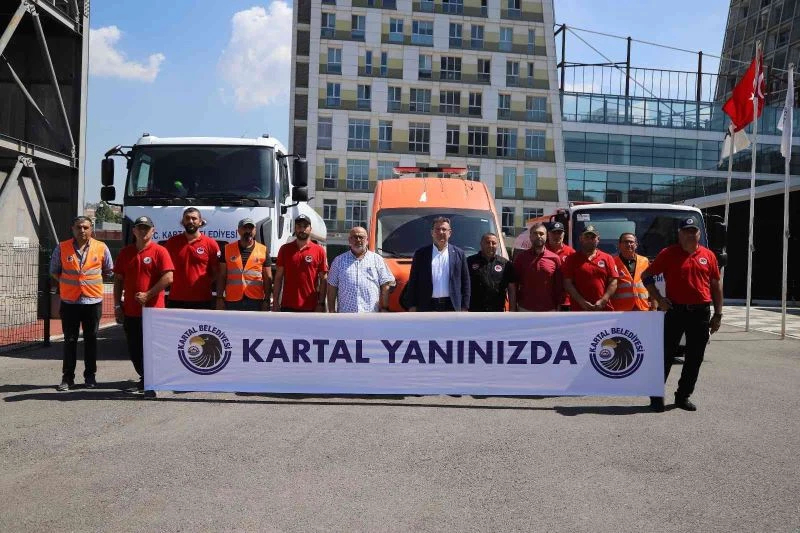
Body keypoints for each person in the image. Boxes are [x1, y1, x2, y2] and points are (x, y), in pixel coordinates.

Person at [641, 217, 723, 412]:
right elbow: (646, 276)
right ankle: (656, 397)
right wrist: (659, 298)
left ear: (699, 234)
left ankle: (683, 396)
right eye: (686, 231)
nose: (690, 234)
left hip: (701, 313)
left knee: (695, 358)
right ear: (679, 233)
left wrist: (718, 313)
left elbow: (715, 285)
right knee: (665, 356)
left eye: (693, 231)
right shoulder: (668, 253)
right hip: (675, 311)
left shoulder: (709, 255)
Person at [49, 216, 114, 391]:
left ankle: (90, 376)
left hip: (92, 301)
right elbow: (54, 271)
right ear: (73, 229)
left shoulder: (101, 247)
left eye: (85, 227)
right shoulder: (62, 247)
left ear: (91, 229)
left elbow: (109, 270)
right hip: (70, 302)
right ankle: (67, 378)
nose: (82, 230)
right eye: (78, 227)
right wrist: (67, 282)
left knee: (91, 339)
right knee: (70, 340)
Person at [113, 216, 174, 393]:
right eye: (139, 227)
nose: (143, 231)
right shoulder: (125, 253)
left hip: (154, 312)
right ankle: (145, 377)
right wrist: (118, 306)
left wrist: (148, 294)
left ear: (153, 231)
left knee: (154, 348)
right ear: (133, 231)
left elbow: (169, 277)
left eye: (146, 228)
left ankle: (152, 381)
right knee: (135, 347)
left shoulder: (160, 251)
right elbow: (118, 280)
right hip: (131, 311)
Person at [404, 216, 470, 312]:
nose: (441, 232)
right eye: (437, 229)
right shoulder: (421, 254)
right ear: (432, 233)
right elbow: (413, 281)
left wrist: (465, 306)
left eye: (444, 229)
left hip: (452, 305)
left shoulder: (459, 254)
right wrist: (412, 305)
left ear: (450, 233)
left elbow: (466, 282)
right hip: (427, 305)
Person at [326, 226, 395, 313]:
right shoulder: (338, 261)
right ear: (349, 240)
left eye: (361, 237)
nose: (358, 240)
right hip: (345, 316)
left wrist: (385, 307)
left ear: (367, 240)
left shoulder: (377, 260)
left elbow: (385, 284)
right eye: (355, 237)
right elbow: (332, 286)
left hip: (370, 315)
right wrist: (332, 310)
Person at [163, 207, 220, 309]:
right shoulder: (172, 242)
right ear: (182, 221)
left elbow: (216, 272)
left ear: (200, 222)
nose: (190, 221)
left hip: (202, 299)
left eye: (194, 218)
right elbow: (165, 270)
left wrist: (203, 283)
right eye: (187, 218)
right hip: (176, 299)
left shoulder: (210, 243)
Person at [272, 214, 328, 312]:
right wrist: (276, 302)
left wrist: (321, 303)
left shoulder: (319, 251)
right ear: (295, 228)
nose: (302, 229)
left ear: (311, 229)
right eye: (299, 226)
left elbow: (323, 279)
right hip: (288, 305)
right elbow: (278, 277)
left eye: (305, 226)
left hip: (311, 306)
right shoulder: (284, 249)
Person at [217, 218, 272, 311]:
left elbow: (268, 277)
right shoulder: (227, 249)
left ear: (255, 230)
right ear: (238, 231)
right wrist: (219, 298)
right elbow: (221, 276)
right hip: (233, 299)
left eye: (250, 228)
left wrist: (266, 300)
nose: (248, 231)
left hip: (255, 299)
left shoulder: (263, 250)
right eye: (244, 228)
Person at [562, 225, 619, 311]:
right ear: (581, 239)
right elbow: (567, 283)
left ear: (598, 239)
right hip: (579, 309)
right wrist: (582, 302)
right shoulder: (571, 259)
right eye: (587, 237)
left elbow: (614, 282)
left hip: (604, 309)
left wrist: (604, 300)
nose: (590, 240)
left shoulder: (607, 258)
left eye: (593, 237)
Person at [513, 223, 562, 312]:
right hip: (525, 308)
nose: (538, 236)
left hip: (549, 309)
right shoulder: (521, 258)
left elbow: (558, 286)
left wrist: (558, 307)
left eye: (541, 233)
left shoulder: (555, 258)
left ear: (546, 236)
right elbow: (514, 284)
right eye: (535, 233)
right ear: (530, 237)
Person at [467, 233, 516, 312]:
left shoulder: (505, 264)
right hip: (474, 311)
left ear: (497, 245)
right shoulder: (469, 262)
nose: (490, 245)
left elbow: (511, 289)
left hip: (497, 311)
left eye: (494, 243)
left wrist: (512, 309)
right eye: (487, 242)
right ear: (481, 244)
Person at [611, 233, 654, 311]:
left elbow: (651, 284)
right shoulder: (612, 262)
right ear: (619, 245)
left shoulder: (644, 261)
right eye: (626, 242)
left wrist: (654, 306)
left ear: (636, 245)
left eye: (631, 242)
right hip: (620, 309)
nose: (629, 244)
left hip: (642, 307)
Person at [546, 221, 575, 311]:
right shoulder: (543, 251)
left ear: (564, 234)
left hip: (566, 301)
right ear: (548, 234)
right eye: (554, 233)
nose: (557, 236)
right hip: (546, 300)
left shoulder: (571, 253)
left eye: (559, 233)